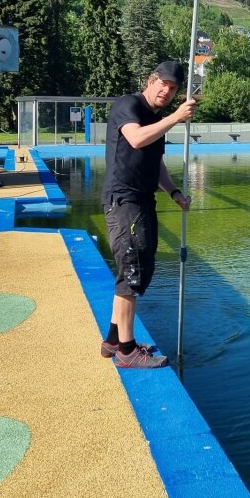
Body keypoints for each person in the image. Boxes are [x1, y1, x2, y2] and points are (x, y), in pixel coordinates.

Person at [100, 60, 197, 368]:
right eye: (163, 85)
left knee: (139, 267)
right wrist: (176, 117)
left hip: (143, 202)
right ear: (151, 81)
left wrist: (174, 193)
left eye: (173, 90)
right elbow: (136, 138)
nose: (166, 92)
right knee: (132, 271)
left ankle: (113, 340)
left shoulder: (156, 119)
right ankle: (127, 352)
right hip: (124, 200)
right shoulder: (128, 105)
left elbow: (156, 165)